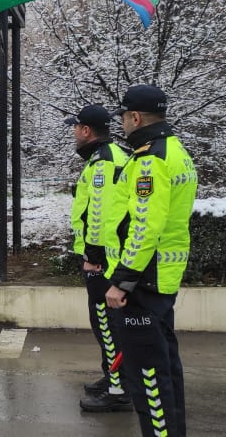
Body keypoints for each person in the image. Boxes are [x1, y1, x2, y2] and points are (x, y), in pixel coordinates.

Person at [106, 85, 198, 437]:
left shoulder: (150, 159)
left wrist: (122, 281)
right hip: (161, 277)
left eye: (124, 118)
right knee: (166, 370)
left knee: (148, 378)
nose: (122, 125)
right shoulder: (175, 150)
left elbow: (145, 226)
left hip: (144, 280)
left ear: (135, 117)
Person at [65, 105, 132, 413]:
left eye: (76, 127)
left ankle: (119, 389)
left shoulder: (104, 161)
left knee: (107, 325)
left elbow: (101, 213)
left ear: (86, 130)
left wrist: (93, 256)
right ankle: (113, 377)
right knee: (106, 325)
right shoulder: (104, 157)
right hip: (107, 259)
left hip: (104, 262)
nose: (74, 133)